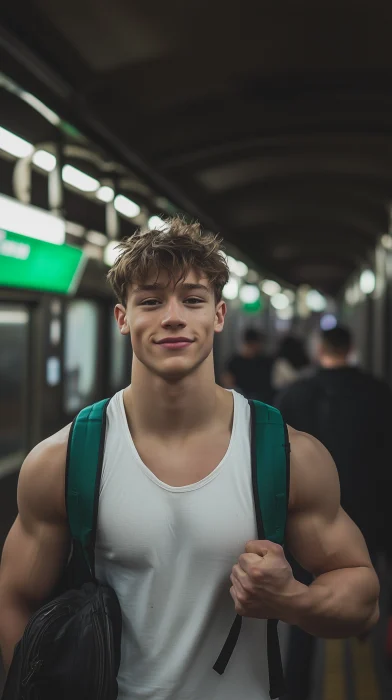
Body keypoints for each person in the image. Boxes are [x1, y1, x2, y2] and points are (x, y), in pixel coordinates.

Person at [0, 221, 379, 700]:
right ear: (122, 317)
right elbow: (15, 598)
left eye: (193, 300)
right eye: (152, 301)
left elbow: (362, 596)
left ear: (218, 315)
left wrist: (293, 600)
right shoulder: (64, 459)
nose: (173, 317)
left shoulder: (286, 454)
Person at [276, 324, 392, 700]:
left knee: (302, 605)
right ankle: (361, 629)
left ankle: (295, 687)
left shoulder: (294, 394)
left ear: (319, 347)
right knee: (362, 584)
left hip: (301, 520)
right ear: (351, 347)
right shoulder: (378, 393)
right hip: (368, 512)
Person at [221, 328, 273, 403]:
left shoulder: (264, 361)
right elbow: (227, 381)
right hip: (241, 399)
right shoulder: (235, 361)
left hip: (260, 400)